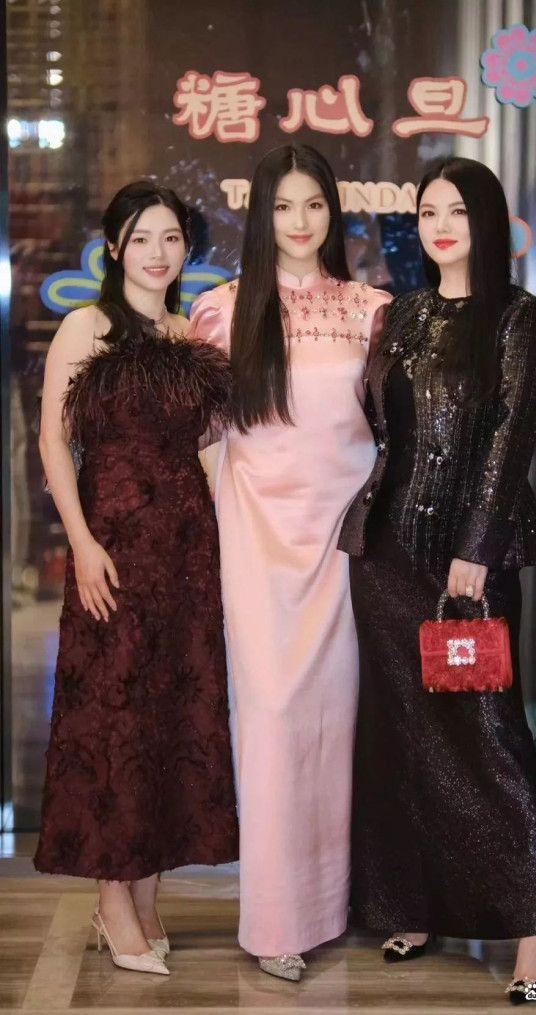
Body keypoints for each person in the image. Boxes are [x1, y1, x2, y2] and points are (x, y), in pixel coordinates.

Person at [338, 156, 536, 1004]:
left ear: (486, 220)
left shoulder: (522, 317)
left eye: (457, 211)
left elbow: (512, 438)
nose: (442, 226)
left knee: (487, 734)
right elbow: (383, 427)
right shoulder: (403, 313)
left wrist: (477, 546)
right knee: (401, 734)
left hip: (464, 563)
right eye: (428, 212)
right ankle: (413, 904)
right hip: (385, 554)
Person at [191, 144, 391, 981]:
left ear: (333, 212)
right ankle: (276, 918)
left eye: (314, 205)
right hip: (258, 541)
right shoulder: (220, 310)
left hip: (348, 541)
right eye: (283, 206)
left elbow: (392, 430)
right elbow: (203, 434)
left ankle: (334, 902)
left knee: (337, 722)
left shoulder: (373, 310)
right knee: (271, 720)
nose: (300, 222)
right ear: (260, 216)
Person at [35, 181, 238, 975]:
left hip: (187, 555)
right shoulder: (85, 327)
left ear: (187, 249)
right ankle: (112, 896)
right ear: (115, 246)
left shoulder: (192, 335)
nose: (158, 253)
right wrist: (82, 543)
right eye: (143, 237)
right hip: (112, 553)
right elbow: (53, 444)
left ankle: (147, 891)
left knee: (171, 720)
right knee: (111, 719)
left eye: (172, 238)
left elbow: (215, 450)